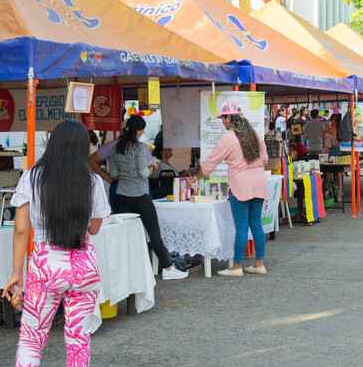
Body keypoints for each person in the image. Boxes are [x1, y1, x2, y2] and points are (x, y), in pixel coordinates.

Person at [0, 121, 112, 367]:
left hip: (46, 265)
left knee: (32, 339)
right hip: (83, 266)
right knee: (78, 340)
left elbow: (21, 229)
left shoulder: (31, 178)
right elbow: (94, 228)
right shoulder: (92, 182)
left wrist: (15, 273)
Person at [106, 115, 186, 281]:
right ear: (140, 131)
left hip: (121, 195)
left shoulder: (115, 148)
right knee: (154, 233)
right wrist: (152, 165)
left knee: (126, 236)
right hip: (140, 195)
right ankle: (168, 268)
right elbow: (143, 173)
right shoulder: (140, 148)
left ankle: (125, 271)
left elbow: (113, 174)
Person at [200, 103, 270, 276]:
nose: (222, 122)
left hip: (240, 185)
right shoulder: (254, 134)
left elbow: (211, 162)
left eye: (223, 118)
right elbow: (265, 159)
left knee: (241, 226)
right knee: (256, 224)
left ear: (229, 118)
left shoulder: (228, 138)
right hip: (259, 182)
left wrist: (199, 174)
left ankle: (237, 266)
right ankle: (259, 264)